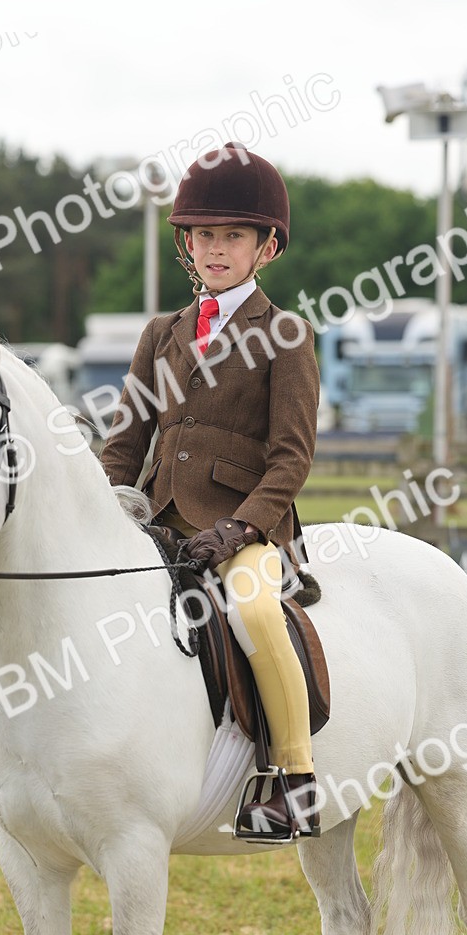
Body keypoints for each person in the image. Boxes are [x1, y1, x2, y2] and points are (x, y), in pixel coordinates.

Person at [100, 141, 320, 838]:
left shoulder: (285, 334)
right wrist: (106, 506)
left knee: (254, 611)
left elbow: (291, 459)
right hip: (161, 517)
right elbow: (126, 442)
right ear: (185, 245)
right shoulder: (160, 333)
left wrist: (244, 528)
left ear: (267, 248)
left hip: (244, 527)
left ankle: (291, 777)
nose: (215, 249)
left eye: (233, 236)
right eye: (203, 236)